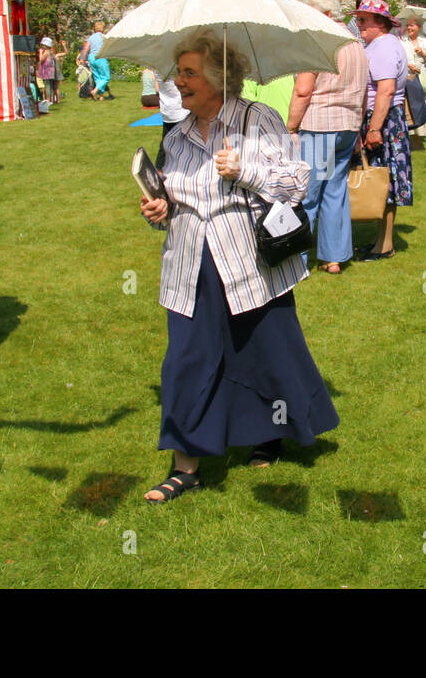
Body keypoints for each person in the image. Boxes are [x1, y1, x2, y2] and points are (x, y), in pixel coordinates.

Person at [138, 31, 338, 501]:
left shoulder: (257, 119)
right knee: (186, 359)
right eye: (179, 72)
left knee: (263, 351)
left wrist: (243, 169)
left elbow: (297, 184)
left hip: (250, 261)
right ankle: (185, 465)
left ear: (218, 78)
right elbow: (175, 196)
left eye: (190, 73)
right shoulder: (179, 132)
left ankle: (269, 430)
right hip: (189, 261)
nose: (179, 82)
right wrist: (160, 211)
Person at [287, 0, 369, 274]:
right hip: (347, 125)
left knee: (306, 194)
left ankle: (296, 261)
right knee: (335, 192)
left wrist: (291, 127)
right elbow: (363, 91)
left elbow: (303, 90)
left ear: (322, 13)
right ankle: (333, 257)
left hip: (320, 124)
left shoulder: (317, 42)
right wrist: (357, 126)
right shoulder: (355, 42)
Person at [350, 0, 412, 260]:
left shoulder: (385, 46)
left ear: (381, 23)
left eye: (364, 19)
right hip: (382, 118)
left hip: (384, 120)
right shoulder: (379, 45)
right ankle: (380, 241)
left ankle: (384, 245)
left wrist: (374, 129)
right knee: (381, 182)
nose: (359, 23)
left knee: (384, 182)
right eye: (359, 18)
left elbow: (385, 90)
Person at [401, 15, 426, 149]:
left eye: (412, 25)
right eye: (407, 25)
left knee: (421, 106)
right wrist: (408, 65)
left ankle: (418, 141)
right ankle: (408, 140)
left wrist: (423, 54)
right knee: (408, 107)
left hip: (421, 78)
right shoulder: (401, 41)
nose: (409, 28)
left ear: (418, 27)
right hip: (407, 78)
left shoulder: (425, 42)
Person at [83, 20, 113, 100]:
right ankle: (95, 91)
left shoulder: (91, 37)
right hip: (100, 57)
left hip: (91, 57)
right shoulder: (103, 37)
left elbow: (86, 48)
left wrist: (83, 58)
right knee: (106, 77)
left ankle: (101, 97)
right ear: (102, 28)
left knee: (98, 78)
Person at [38, 38, 59, 104]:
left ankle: (48, 100)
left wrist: (40, 53)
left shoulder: (46, 52)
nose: (42, 46)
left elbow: (41, 59)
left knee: (47, 86)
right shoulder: (51, 52)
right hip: (51, 71)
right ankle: (52, 99)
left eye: (43, 45)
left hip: (47, 71)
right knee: (50, 86)